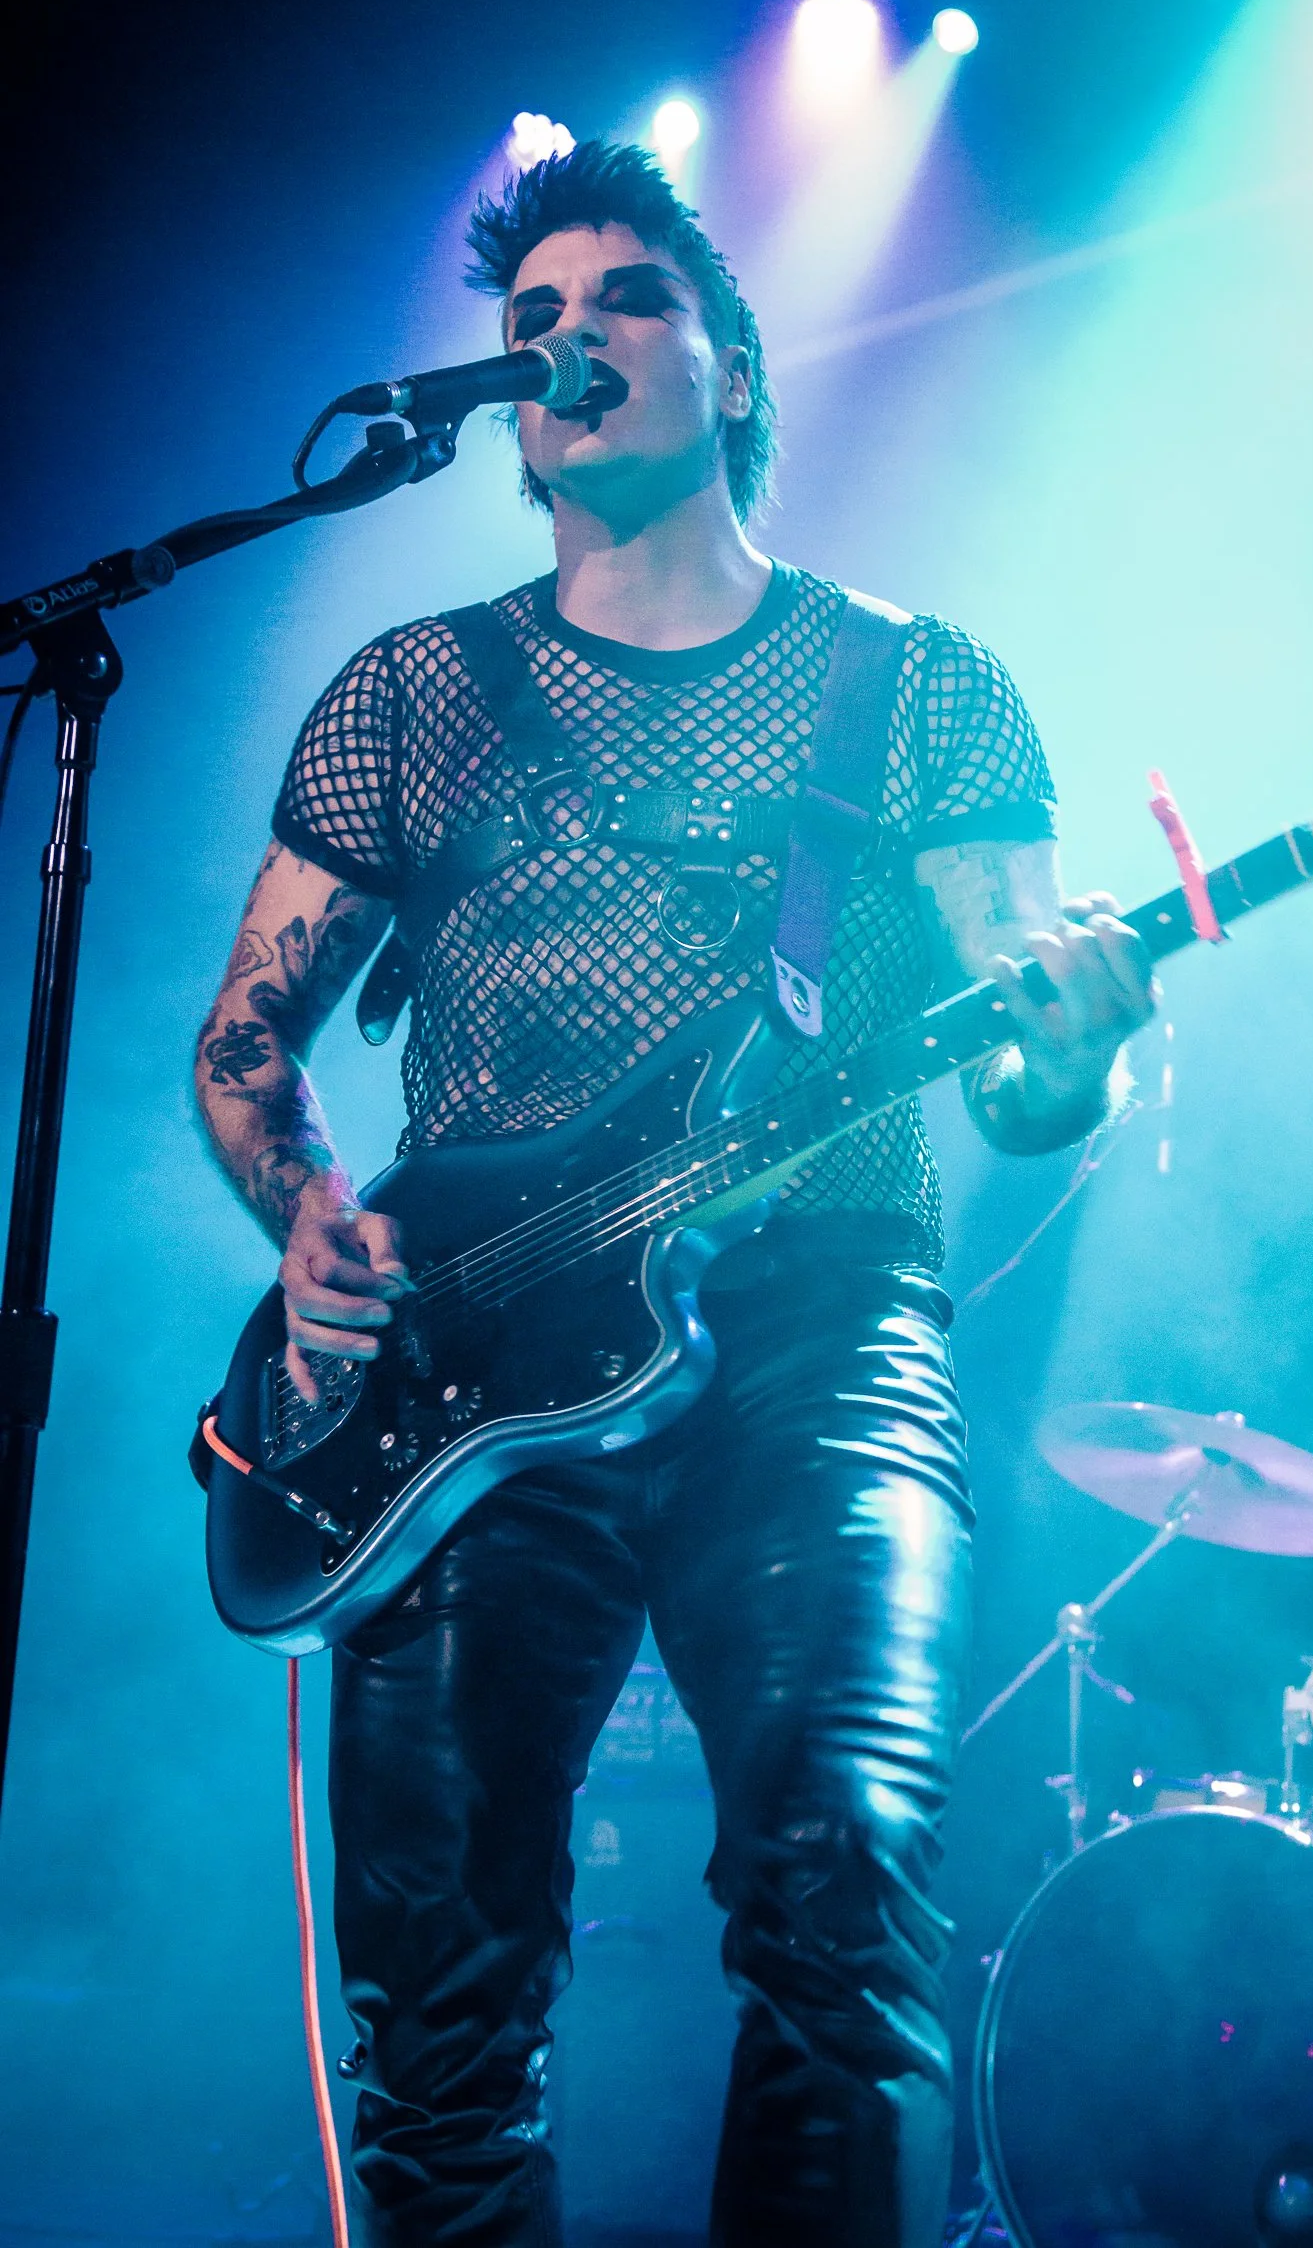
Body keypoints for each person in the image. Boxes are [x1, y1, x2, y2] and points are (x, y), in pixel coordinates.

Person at [194, 139, 1153, 2248]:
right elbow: (246, 1040)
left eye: (624, 296)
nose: (569, 335)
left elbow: (1019, 1079)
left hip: (815, 1320)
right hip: (465, 1366)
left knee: (843, 1899)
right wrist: (308, 1213)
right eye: (530, 317)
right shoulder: (416, 693)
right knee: (438, 1998)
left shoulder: (912, 684)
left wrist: (1074, 1046)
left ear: (729, 364)